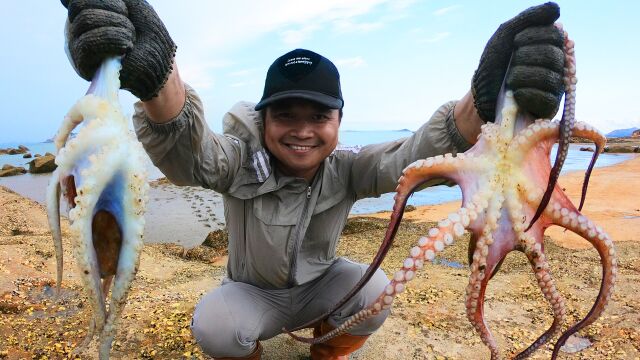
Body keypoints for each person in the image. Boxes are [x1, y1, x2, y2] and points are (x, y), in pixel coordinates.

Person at [61, 1, 565, 359]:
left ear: (338, 122)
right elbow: (190, 151)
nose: (302, 130)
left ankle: (329, 348)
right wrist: (158, 75)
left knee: (376, 292)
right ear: (264, 121)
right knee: (216, 327)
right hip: (252, 296)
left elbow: (417, 153)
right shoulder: (238, 162)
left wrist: (485, 99)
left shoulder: (347, 169)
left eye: (318, 115)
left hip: (321, 287)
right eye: (285, 114)